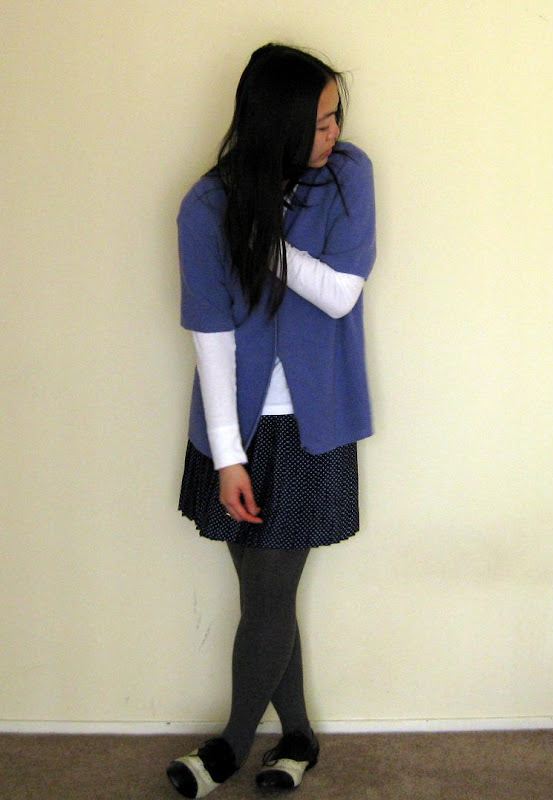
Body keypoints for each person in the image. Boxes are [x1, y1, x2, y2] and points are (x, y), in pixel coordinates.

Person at [167, 43, 376, 798]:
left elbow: (341, 293)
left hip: (312, 426)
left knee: (267, 598)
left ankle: (226, 747)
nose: (333, 132)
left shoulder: (348, 176)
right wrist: (227, 456)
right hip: (236, 431)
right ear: (275, 124)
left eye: (335, 116)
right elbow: (211, 337)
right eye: (317, 122)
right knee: (267, 598)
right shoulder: (205, 206)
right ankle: (297, 738)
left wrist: (264, 242)